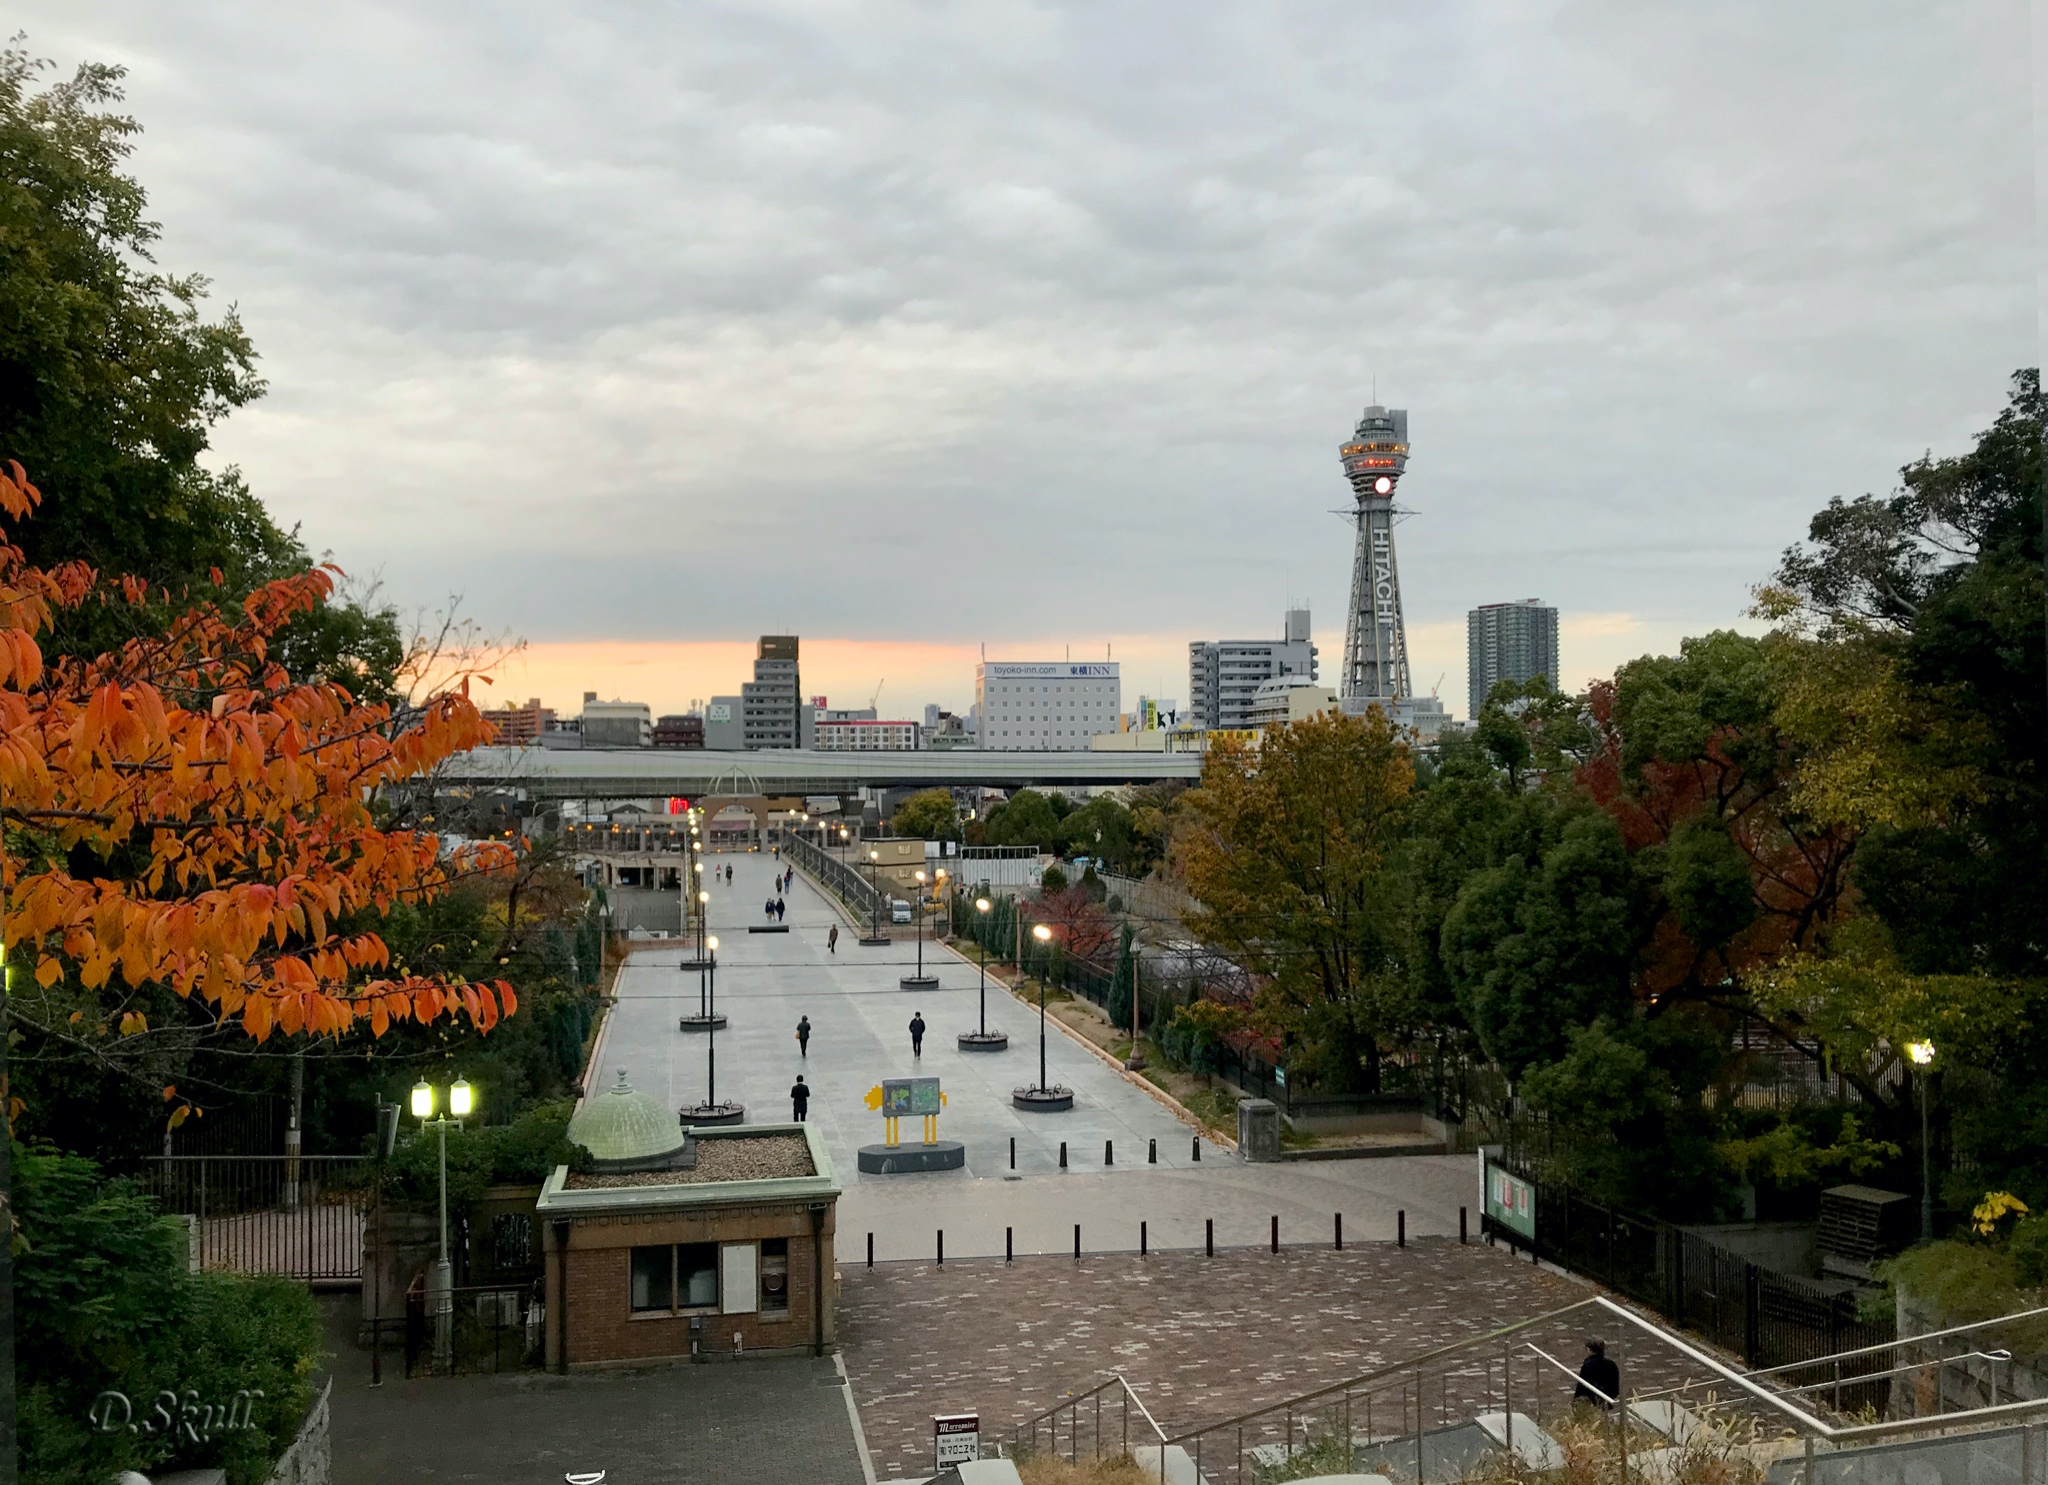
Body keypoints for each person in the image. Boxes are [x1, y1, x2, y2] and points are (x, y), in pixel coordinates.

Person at [1574, 1339, 1619, 1408]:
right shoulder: (1611, 1364)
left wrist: (1575, 1402)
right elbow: (1615, 1387)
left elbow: (1582, 1386)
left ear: (1589, 1350)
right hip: (1608, 1398)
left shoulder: (1588, 1365)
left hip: (1592, 1400)